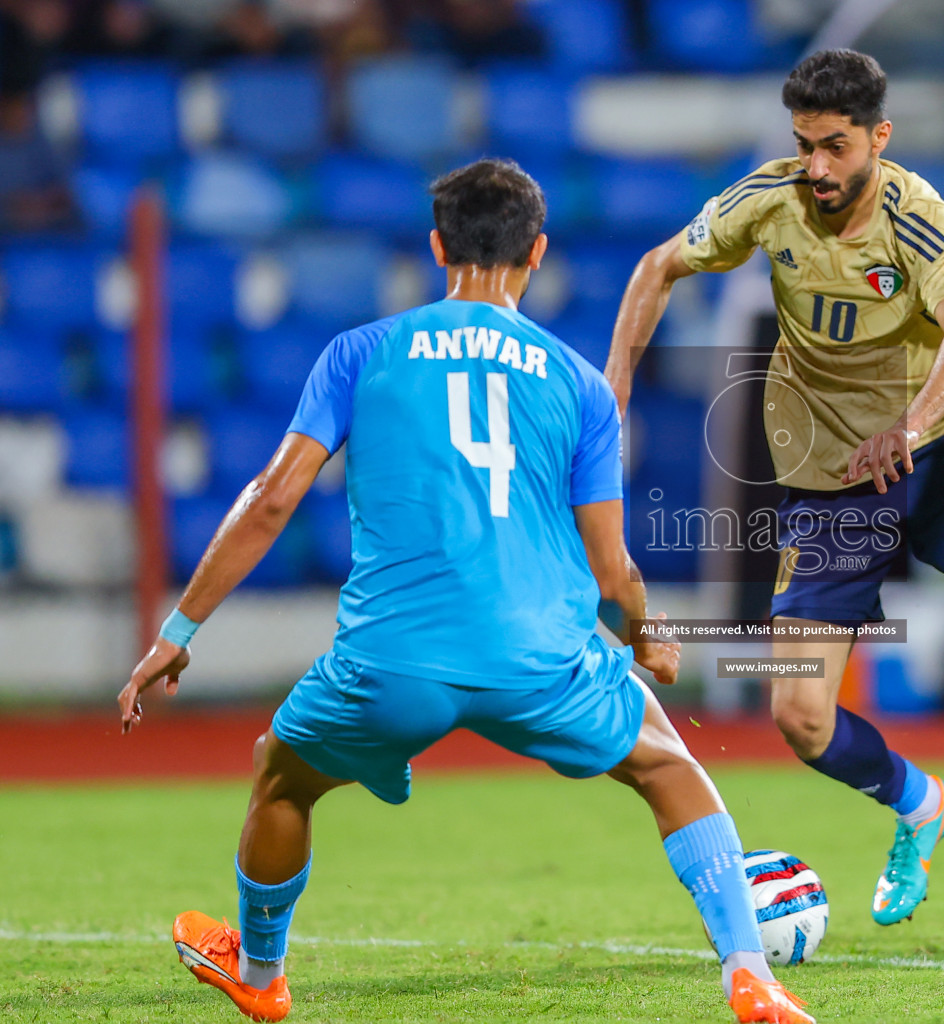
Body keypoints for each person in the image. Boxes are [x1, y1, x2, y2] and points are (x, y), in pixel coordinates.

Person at [117, 159, 814, 1024]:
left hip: (392, 662)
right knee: (669, 765)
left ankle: (260, 976)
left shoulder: (360, 353)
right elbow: (613, 569)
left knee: (280, 779)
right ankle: (752, 976)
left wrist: (179, 629)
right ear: (539, 252)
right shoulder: (580, 385)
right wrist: (647, 635)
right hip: (540, 659)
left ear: (438, 245)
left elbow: (268, 502)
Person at [604, 49, 944, 929]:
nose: (816, 167)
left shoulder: (917, 215)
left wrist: (912, 424)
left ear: (877, 138)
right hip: (836, 483)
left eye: (834, 146)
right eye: (804, 145)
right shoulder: (768, 200)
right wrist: (614, 399)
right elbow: (654, 267)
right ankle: (920, 804)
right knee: (800, 715)